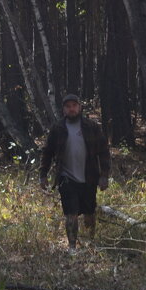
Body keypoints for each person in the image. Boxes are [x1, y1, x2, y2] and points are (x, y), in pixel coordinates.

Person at [39, 94, 111, 252]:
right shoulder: (58, 128)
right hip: (66, 178)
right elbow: (47, 152)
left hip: (89, 177)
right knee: (71, 214)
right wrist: (43, 175)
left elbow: (104, 151)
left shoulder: (91, 126)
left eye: (74, 105)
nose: (71, 109)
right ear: (63, 109)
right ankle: (72, 247)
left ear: (79, 107)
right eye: (68, 106)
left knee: (89, 213)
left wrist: (104, 175)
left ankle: (90, 243)